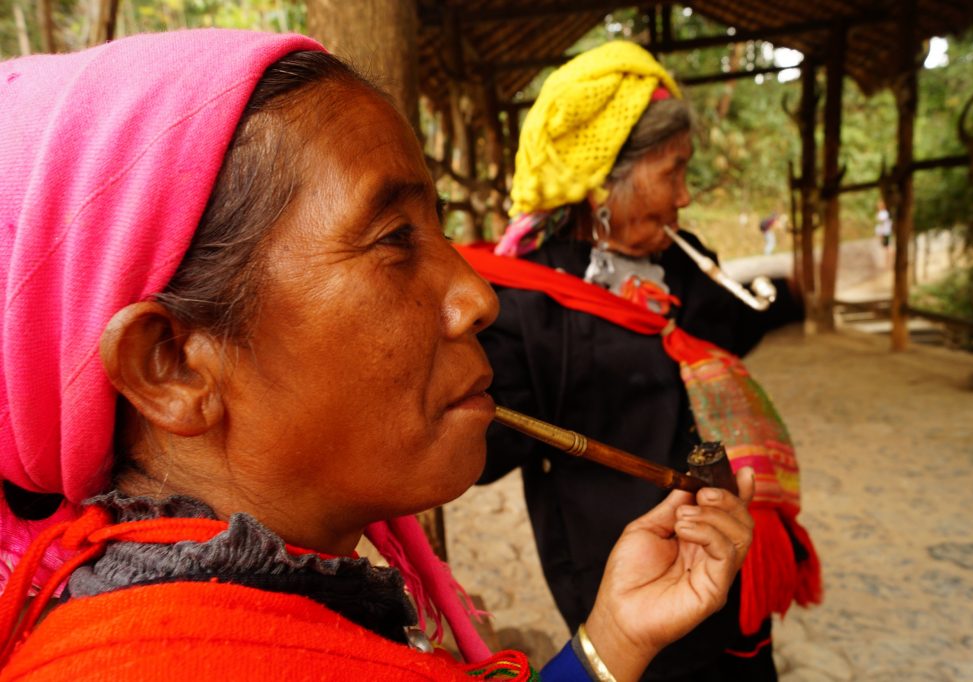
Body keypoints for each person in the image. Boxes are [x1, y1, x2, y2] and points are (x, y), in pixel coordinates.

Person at [0, 30, 755, 681]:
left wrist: (612, 640)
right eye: (395, 240)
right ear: (174, 364)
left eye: (439, 227)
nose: (476, 296)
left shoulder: (275, 617)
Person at [465, 41, 821, 681]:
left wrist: (785, 303)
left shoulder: (680, 260)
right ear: (606, 182)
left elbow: (721, 334)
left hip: (726, 549)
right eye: (672, 173)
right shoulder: (520, 304)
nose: (684, 196)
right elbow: (481, 451)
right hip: (626, 575)